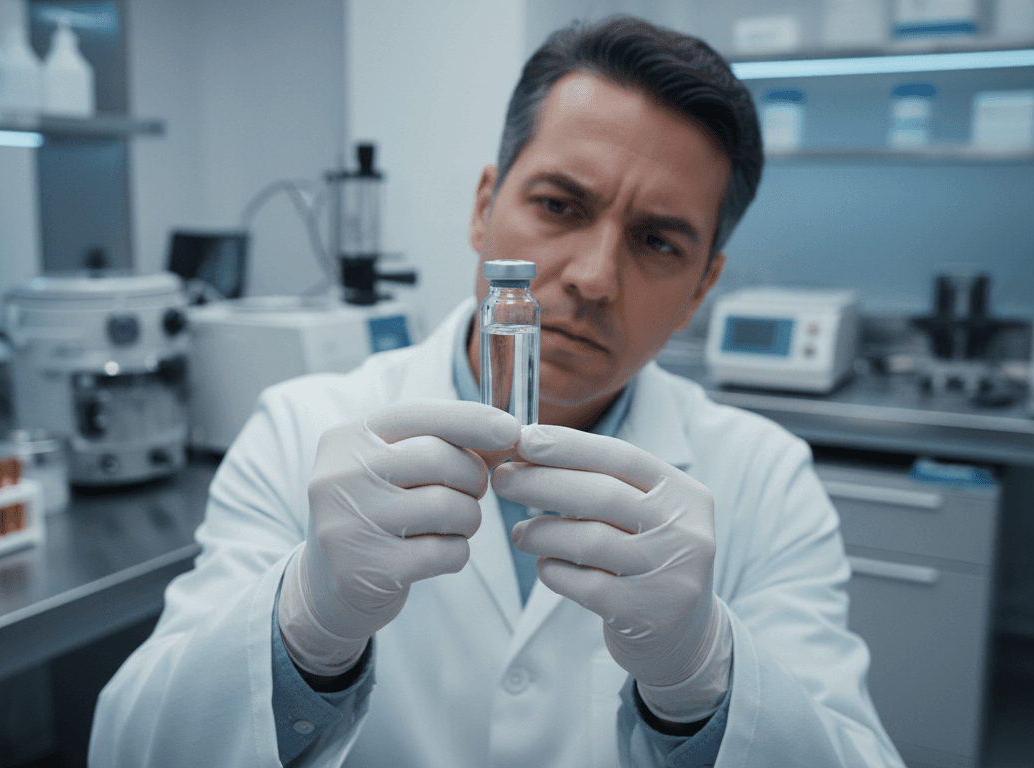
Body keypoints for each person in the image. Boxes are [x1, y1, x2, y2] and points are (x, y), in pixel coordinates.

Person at [90, 15, 904, 768]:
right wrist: (305, 625)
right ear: (485, 207)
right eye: (559, 205)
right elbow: (130, 746)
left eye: (658, 242)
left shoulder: (767, 479)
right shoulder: (299, 428)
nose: (592, 278)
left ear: (702, 288)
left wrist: (705, 678)